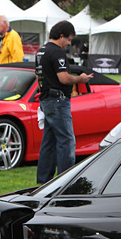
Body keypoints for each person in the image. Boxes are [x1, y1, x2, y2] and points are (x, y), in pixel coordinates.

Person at [36, 20, 93, 184]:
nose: (69, 43)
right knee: (67, 141)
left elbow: (37, 75)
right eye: (68, 39)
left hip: (46, 99)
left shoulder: (41, 51)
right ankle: (65, 182)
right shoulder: (57, 53)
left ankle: (43, 181)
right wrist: (80, 78)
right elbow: (63, 78)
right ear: (61, 36)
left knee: (49, 142)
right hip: (58, 100)